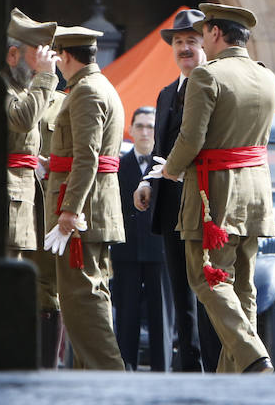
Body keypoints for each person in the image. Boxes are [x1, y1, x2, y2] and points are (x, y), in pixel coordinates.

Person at [154, 3, 275, 374]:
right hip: (255, 192)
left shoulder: (207, 76)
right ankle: (235, 378)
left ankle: (252, 355)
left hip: (215, 194)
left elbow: (191, 139)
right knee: (244, 286)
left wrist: (169, 172)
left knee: (207, 278)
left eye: (204, 31)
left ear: (216, 34)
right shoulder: (265, 75)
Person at [133, 9, 222, 372]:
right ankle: (188, 368)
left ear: (205, 44)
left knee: (208, 289)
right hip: (170, 204)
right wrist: (146, 182)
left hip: (204, 202)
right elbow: (158, 149)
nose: (184, 48)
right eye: (179, 42)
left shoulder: (215, 84)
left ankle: (215, 369)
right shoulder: (167, 92)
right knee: (180, 292)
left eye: (192, 41)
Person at [45, 25, 126, 370]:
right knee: (87, 301)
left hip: (83, 214)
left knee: (82, 301)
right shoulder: (95, 86)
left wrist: (69, 211)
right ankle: (89, 383)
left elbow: (87, 157)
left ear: (64, 55)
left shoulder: (86, 92)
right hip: (91, 209)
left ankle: (110, 380)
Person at [112, 106, 172, 371]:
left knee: (161, 317)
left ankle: (163, 372)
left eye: (150, 126)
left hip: (159, 251)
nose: (145, 131)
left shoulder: (166, 167)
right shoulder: (119, 167)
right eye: (140, 126)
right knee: (126, 316)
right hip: (126, 252)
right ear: (132, 130)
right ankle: (126, 369)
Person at [2, 8, 59, 260]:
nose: (42, 65)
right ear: (13, 55)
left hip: (19, 195)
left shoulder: (20, 89)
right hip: (7, 199)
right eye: (36, 56)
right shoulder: (1, 85)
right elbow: (23, 120)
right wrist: (46, 77)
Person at [22, 86, 66, 368]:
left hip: (46, 210)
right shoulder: (11, 98)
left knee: (47, 290)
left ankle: (46, 369)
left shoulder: (64, 103)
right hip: (11, 205)